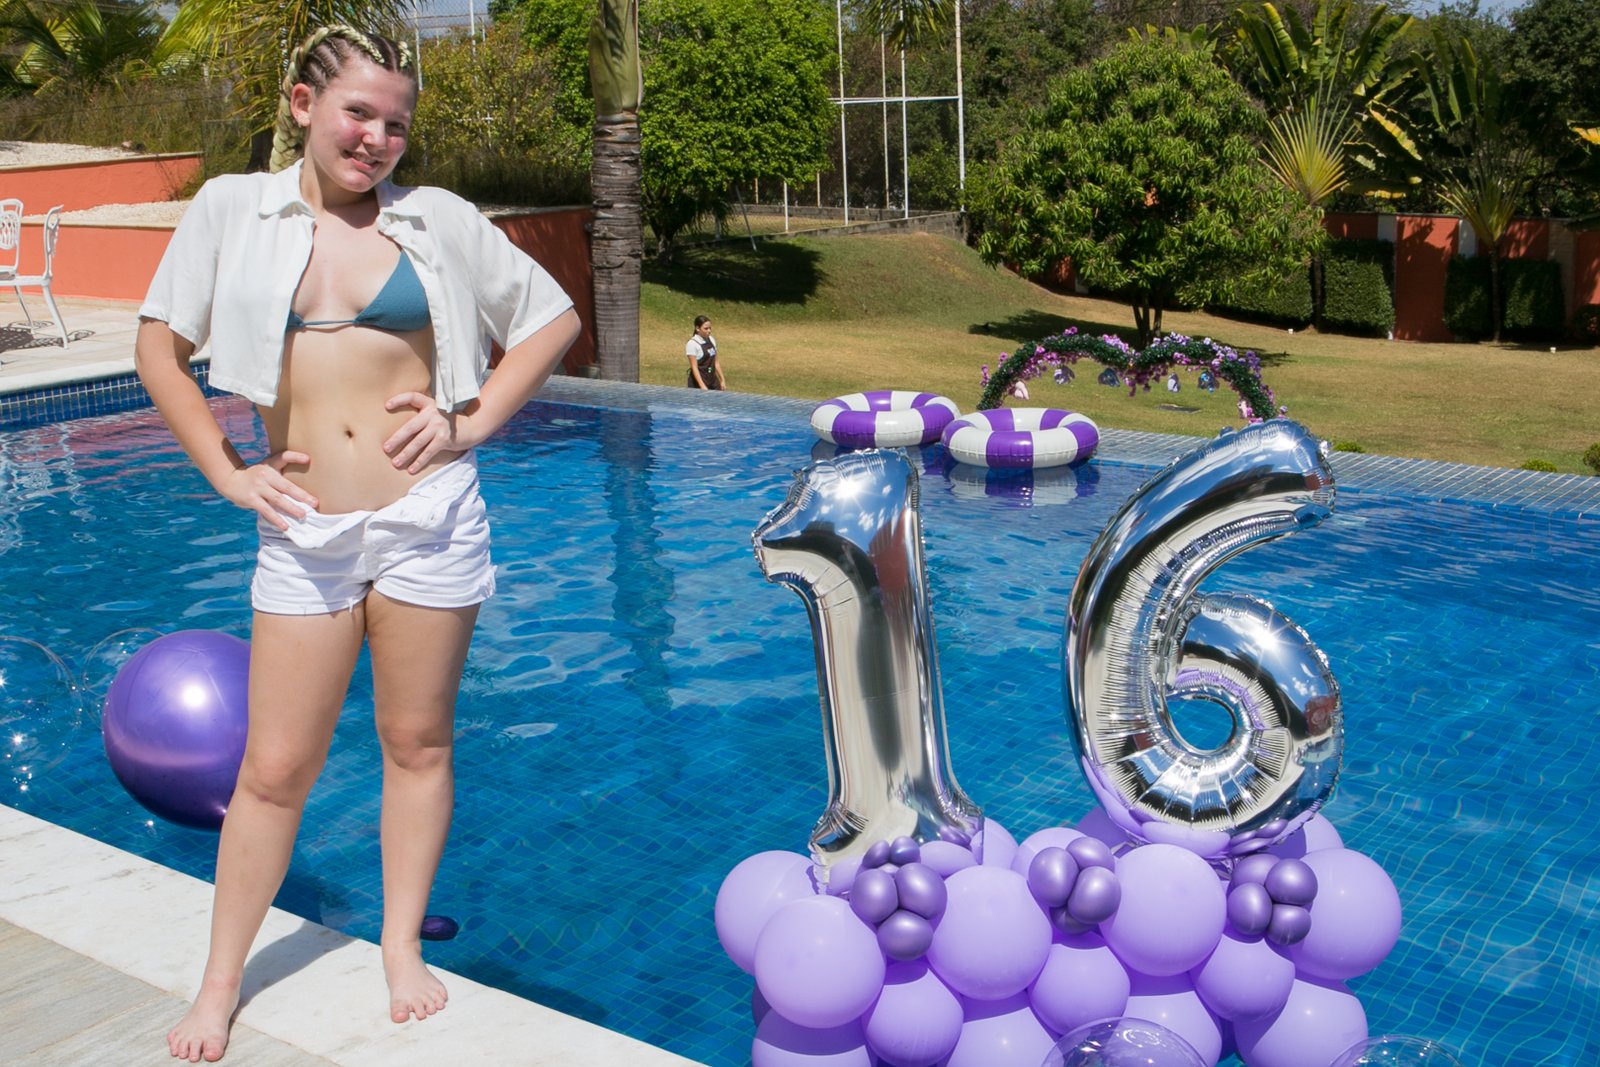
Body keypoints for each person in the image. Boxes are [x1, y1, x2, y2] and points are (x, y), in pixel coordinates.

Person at [134, 25, 580, 1064]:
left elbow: (550, 319)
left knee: (417, 743)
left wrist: (471, 422)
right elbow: (159, 346)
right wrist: (226, 471)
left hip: (430, 520)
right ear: (303, 105)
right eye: (358, 113)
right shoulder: (230, 210)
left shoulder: (437, 220)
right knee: (273, 767)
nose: (376, 138)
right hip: (306, 530)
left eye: (396, 124)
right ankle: (220, 981)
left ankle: (398, 944)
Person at [685, 314, 726, 389]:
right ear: (697, 328)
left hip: (712, 380)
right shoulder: (692, 344)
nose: (709, 331)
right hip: (698, 383)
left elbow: (716, 362)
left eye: (710, 328)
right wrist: (702, 386)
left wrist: (722, 379)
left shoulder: (711, 340)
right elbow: (694, 367)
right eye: (706, 328)